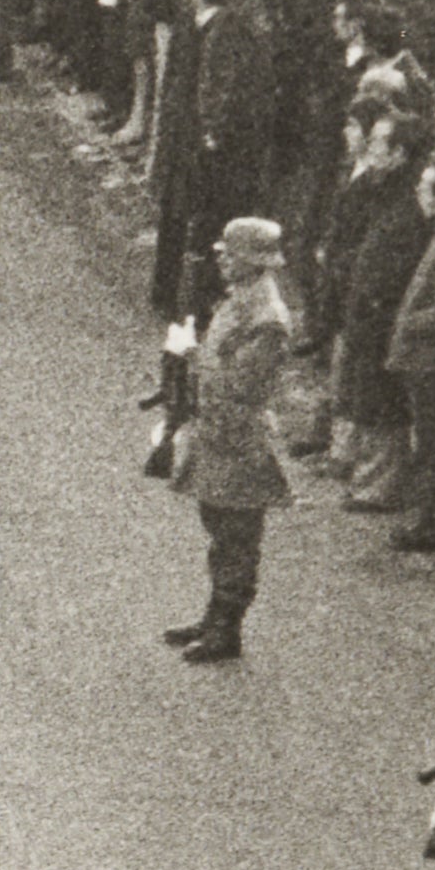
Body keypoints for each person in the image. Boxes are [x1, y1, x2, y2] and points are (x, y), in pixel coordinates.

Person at [168, 210, 308, 661]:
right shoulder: (243, 298)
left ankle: (226, 628)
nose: (223, 262)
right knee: (220, 530)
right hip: (218, 432)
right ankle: (214, 616)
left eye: (233, 255)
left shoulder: (267, 318)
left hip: (240, 440)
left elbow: (241, 384)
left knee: (237, 538)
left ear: (256, 261)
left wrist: (193, 355)